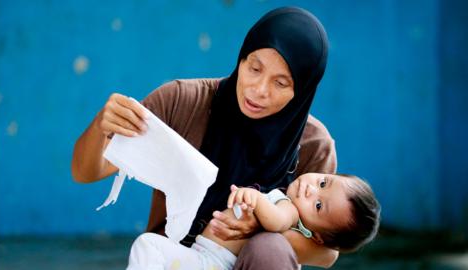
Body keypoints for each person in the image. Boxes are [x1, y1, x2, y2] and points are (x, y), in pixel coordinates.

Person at [72, 6, 341, 269]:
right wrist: (100, 127)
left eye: (280, 83)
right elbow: (86, 172)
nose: (258, 90)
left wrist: (259, 226)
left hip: (256, 263)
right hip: (176, 259)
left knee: (269, 248)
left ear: (303, 90)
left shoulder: (313, 144)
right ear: (242, 58)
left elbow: (326, 254)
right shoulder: (182, 101)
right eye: (254, 68)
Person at [127, 173, 380, 270]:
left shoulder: (289, 210)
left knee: (148, 245)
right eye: (323, 182)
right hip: (205, 260)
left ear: (318, 236)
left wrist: (257, 200)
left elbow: (278, 221)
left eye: (318, 205)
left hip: (213, 263)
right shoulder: (296, 215)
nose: (311, 190)